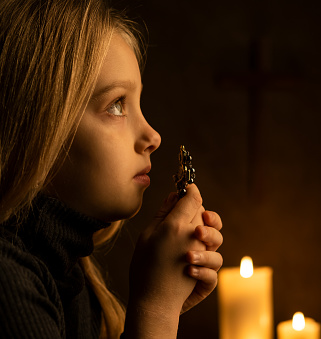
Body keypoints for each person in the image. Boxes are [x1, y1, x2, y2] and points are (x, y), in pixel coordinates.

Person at [0, 0, 223, 338]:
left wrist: (164, 301)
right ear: (39, 128)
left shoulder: (70, 275)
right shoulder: (7, 283)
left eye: (137, 103)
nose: (153, 136)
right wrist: (155, 312)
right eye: (117, 105)